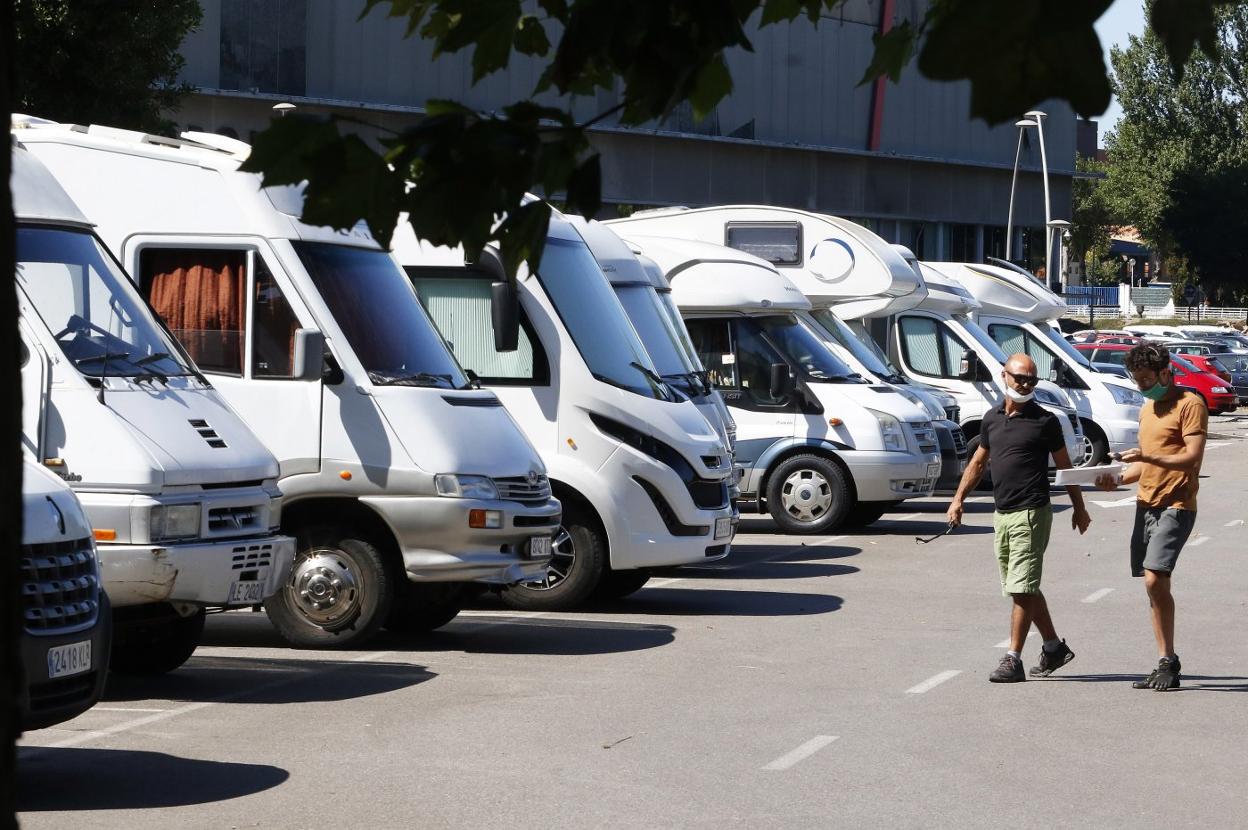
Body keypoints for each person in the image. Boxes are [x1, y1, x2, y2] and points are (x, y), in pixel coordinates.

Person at [947, 354, 1092, 683]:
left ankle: (1013, 658)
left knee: (1022, 585)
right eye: (1020, 378)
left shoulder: (1045, 421)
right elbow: (978, 463)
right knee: (1021, 588)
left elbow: (1066, 467)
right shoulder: (991, 418)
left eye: (1031, 380)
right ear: (1004, 376)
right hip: (1003, 514)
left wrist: (1079, 508)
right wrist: (957, 500)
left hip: (1032, 512)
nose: (1025, 384)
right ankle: (1054, 647)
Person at [1096, 343, 1206, 691]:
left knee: (1154, 578)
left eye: (1146, 379)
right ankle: (1166, 661)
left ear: (1164, 372)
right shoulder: (1148, 409)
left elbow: (1191, 458)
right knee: (1154, 586)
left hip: (1177, 505)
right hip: (1147, 505)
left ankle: (1168, 661)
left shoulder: (1190, 404)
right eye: (1137, 380)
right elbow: (1144, 465)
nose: (1142, 386)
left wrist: (1148, 457)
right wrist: (1115, 478)